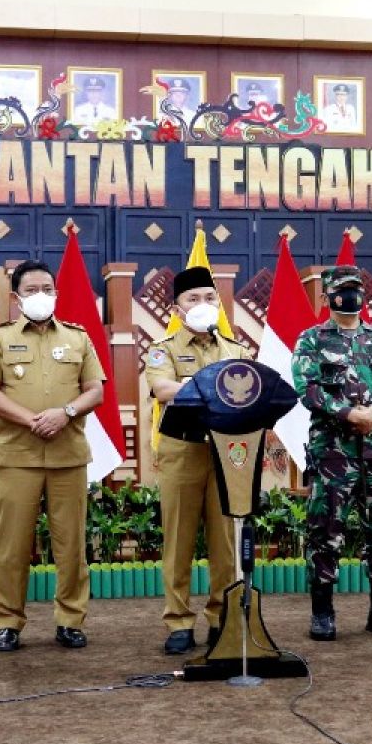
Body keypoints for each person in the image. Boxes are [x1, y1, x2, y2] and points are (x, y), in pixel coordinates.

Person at [0, 260, 106, 653]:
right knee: (11, 546)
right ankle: (8, 622)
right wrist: (33, 420)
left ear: (57, 292)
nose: (40, 296)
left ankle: (70, 621)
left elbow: (95, 391)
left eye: (47, 288)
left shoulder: (79, 338)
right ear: (15, 298)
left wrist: (64, 413)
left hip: (68, 457)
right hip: (17, 457)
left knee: (71, 546)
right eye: (31, 290)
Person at [292, 265, 372, 642]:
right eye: (342, 290)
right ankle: (323, 614)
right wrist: (348, 414)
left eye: (356, 289)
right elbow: (306, 388)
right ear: (327, 296)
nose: (351, 296)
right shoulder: (311, 340)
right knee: (324, 531)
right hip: (332, 454)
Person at [145, 267, 248, 654]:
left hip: (226, 454)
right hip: (182, 452)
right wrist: (209, 387)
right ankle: (178, 622)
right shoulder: (164, 348)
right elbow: (161, 387)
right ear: (176, 308)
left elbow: (251, 388)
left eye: (208, 298)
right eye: (192, 299)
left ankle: (221, 618)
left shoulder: (235, 349)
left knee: (224, 545)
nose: (202, 305)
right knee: (179, 540)